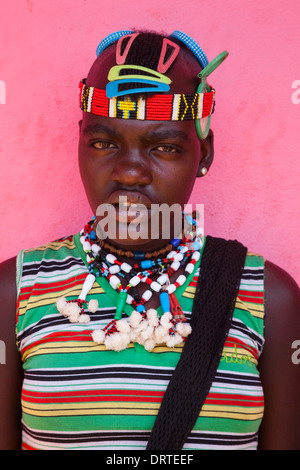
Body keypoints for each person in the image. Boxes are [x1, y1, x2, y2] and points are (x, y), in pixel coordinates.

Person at [0, 29, 299, 451]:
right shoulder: (15, 291)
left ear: (204, 155)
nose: (130, 173)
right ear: (79, 144)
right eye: (104, 143)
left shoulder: (271, 299)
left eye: (164, 148)